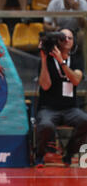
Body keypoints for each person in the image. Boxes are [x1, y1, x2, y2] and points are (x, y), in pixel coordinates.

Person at [35, 28, 87, 167]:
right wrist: (44, 60)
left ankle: (69, 153)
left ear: (73, 41)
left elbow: (76, 80)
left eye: (70, 38)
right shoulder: (48, 59)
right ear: (58, 40)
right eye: (63, 37)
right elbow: (45, 86)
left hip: (70, 109)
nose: (67, 40)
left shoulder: (76, 60)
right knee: (46, 125)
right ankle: (39, 155)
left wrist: (62, 62)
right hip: (48, 109)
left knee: (85, 120)